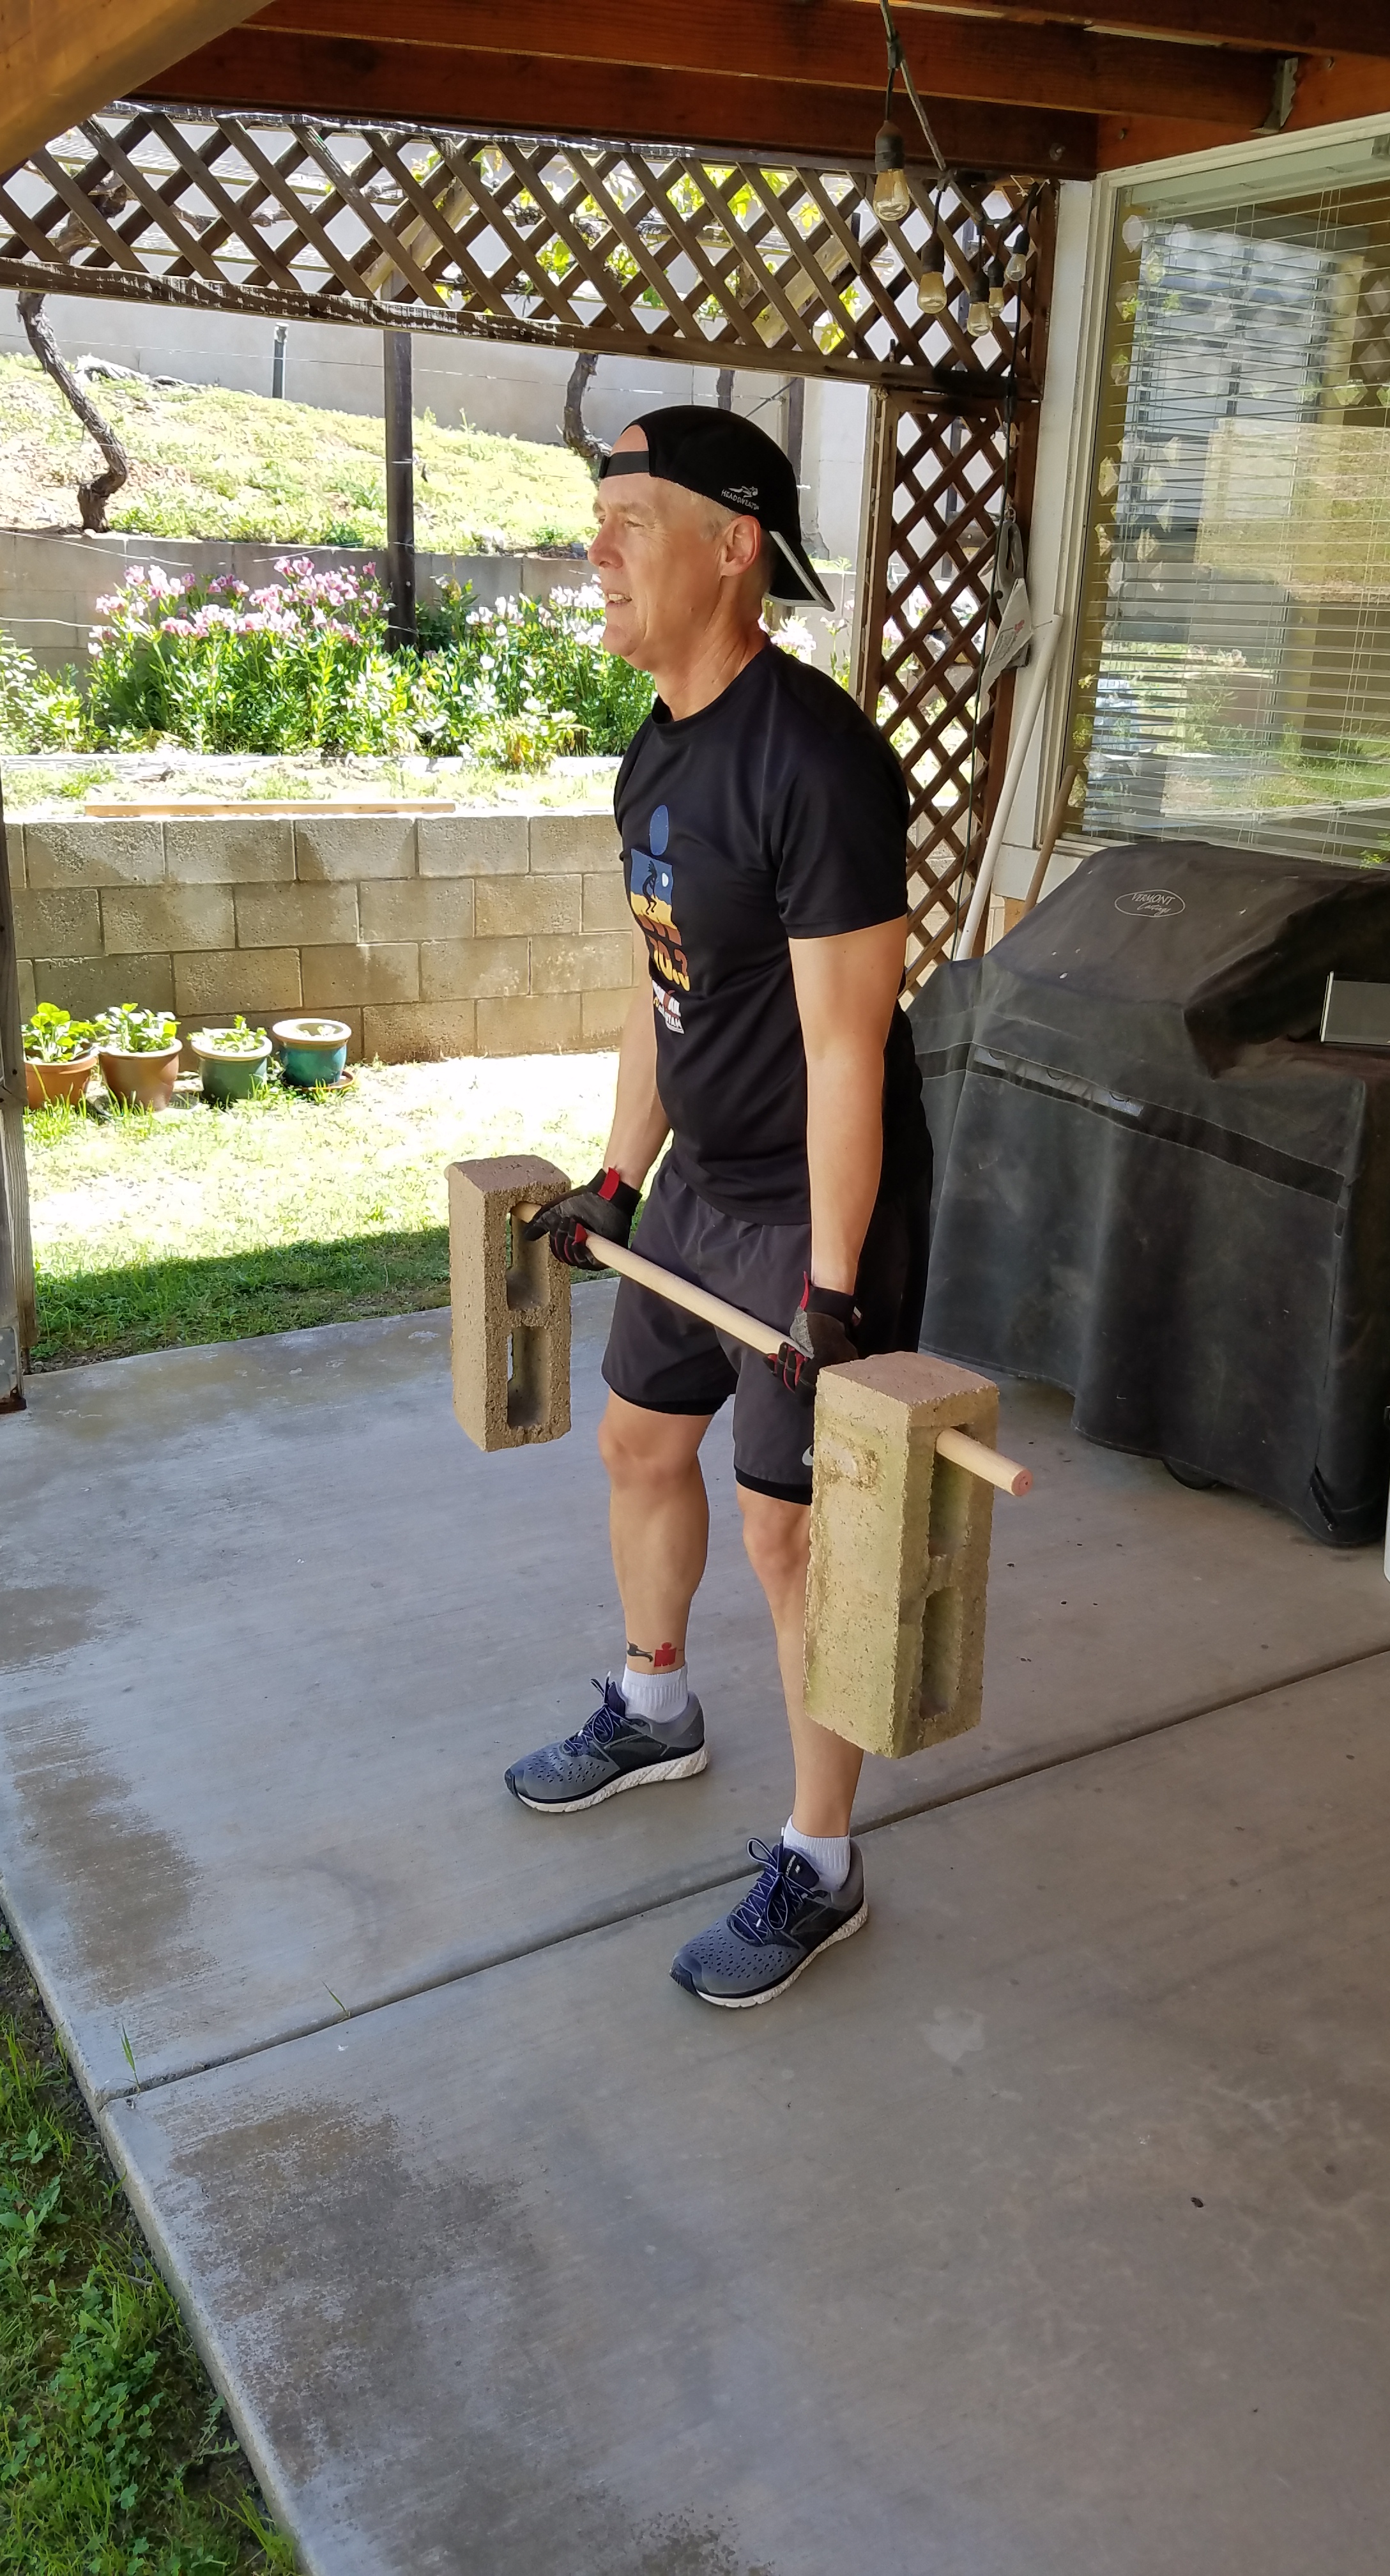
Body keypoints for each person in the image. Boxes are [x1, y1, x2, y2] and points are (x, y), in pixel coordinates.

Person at [506, 404, 931, 2007]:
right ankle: (657, 1704)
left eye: (631, 520)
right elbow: (660, 980)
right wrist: (623, 1173)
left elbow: (847, 1047)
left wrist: (831, 1290)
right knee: (637, 1442)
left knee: (795, 1532)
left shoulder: (817, 761)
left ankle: (824, 1859)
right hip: (703, 1182)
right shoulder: (659, 746)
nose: (596, 551)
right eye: (596, 520)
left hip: (815, 1200)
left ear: (734, 545)